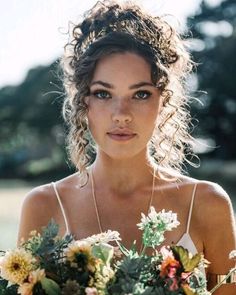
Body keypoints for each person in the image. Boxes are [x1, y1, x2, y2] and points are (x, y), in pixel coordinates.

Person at [17, 0, 235, 293]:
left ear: (163, 101)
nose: (121, 113)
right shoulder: (43, 206)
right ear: (84, 102)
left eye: (141, 94)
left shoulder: (207, 204)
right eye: (103, 93)